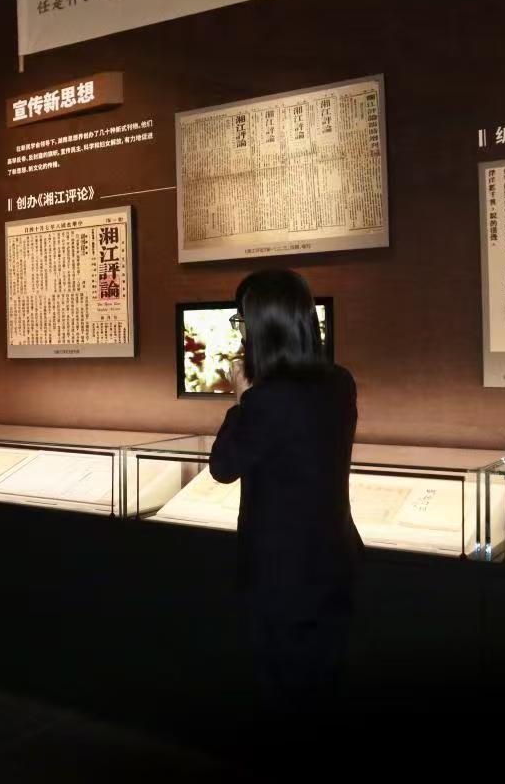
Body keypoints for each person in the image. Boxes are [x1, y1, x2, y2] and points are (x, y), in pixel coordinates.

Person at [208, 269, 361, 741]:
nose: (240, 331)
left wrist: (241, 401)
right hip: (335, 559)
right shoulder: (340, 382)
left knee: (283, 693)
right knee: (326, 684)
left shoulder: (266, 400)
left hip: (280, 573)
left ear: (262, 327)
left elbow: (223, 465)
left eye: (241, 321)